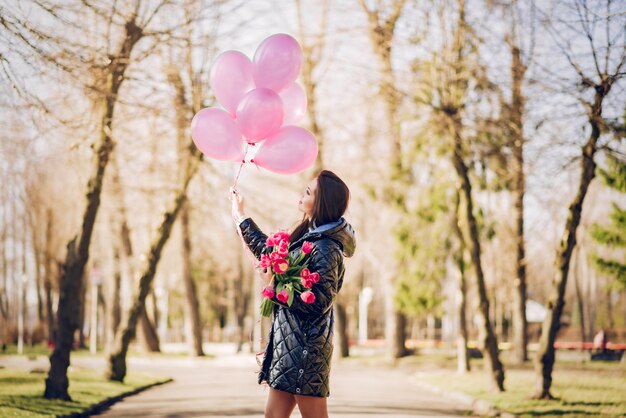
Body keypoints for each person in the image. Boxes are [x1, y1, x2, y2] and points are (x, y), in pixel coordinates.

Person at [230, 169, 356, 418]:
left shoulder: (326, 249)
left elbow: (319, 302)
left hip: (305, 354)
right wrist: (241, 215)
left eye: (308, 192)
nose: (301, 193)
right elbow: (270, 253)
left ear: (321, 203)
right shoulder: (308, 235)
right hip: (289, 349)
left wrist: (274, 286)